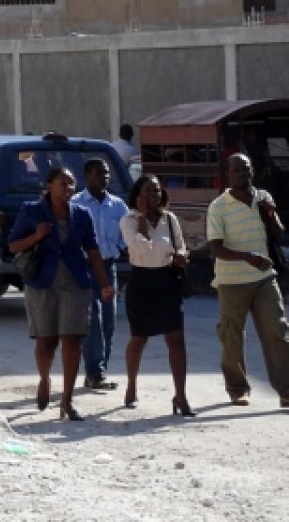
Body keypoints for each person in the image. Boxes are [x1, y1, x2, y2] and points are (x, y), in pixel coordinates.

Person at [8, 167, 116, 422]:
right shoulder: (31, 210)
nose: (67, 189)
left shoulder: (82, 214)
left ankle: (67, 400)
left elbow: (93, 251)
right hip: (42, 283)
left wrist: (104, 283)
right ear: (49, 186)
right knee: (46, 343)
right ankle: (45, 380)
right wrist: (36, 236)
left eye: (71, 184)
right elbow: (13, 245)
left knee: (73, 340)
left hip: (75, 282)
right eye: (62, 184)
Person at [206, 153, 289, 408]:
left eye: (247, 168)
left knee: (278, 331)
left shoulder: (263, 198)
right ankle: (238, 388)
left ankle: (286, 390)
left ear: (253, 171)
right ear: (228, 174)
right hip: (232, 281)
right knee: (232, 337)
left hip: (264, 277)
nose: (243, 174)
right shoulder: (218, 206)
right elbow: (216, 249)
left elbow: (279, 233)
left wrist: (271, 215)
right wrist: (247, 257)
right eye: (237, 169)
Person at [119, 175, 195, 415]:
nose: (154, 197)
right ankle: (131, 386)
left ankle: (180, 397)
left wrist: (182, 256)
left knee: (176, 339)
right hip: (141, 283)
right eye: (147, 192)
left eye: (157, 192)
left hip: (167, 282)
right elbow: (141, 247)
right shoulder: (128, 220)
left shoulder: (170, 219)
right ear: (137, 196)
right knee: (139, 339)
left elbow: (181, 245)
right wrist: (142, 218)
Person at [72, 158, 129, 391]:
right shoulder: (76, 204)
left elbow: (126, 236)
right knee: (92, 320)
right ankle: (95, 371)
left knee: (109, 320)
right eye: (99, 173)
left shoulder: (117, 205)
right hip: (85, 268)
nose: (104, 177)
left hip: (108, 267)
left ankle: (99, 370)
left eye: (106, 174)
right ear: (87, 177)